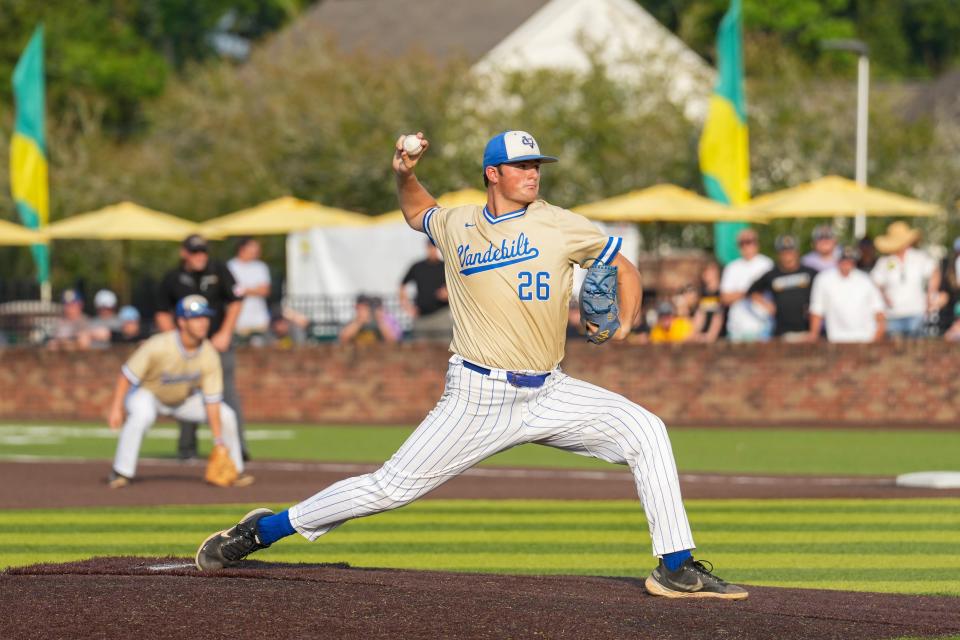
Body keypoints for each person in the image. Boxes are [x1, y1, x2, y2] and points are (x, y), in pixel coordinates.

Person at [195, 129, 747, 600]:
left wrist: (625, 322)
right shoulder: (459, 226)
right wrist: (404, 171)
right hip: (478, 395)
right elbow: (416, 210)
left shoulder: (560, 223)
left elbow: (623, 267)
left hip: (550, 390)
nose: (533, 173)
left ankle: (675, 567)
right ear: (493, 173)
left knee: (646, 430)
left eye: (538, 165)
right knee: (389, 489)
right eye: (522, 165)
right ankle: (262, 530)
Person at [106, 295, 250, 488]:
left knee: (227, 414)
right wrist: (116, 407)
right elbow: (126, 375)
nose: (203, 323)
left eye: (205, 317)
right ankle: (120, 472)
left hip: (183, 400)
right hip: (149, 395)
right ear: (182, 321)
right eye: (196, 318)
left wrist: (218, 442)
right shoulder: (159, 345)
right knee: (142, 415)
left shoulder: (209, 353)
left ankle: (235, 471)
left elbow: (212, 401)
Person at [156, 234, 246, 460]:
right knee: (186, 394)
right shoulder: (173, 277)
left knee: (227, 393)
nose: (200, 256)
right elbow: (161, 311)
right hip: (187, 349)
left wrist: (225, 333)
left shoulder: (219, 270)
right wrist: (173, 341)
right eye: (195, 252)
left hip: (217, 342)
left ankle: (237, 450)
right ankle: (187, 448)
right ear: (184, 253)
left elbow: (235, 301)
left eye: (203, 251)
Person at [870, 221, 939, 338]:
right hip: (892, 314)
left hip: (916, 312)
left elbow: (934, 271)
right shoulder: (885, 261)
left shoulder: (919, 257)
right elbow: (875, 282)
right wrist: (883, 296)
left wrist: (930, 294)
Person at [746, 235, 818, 340]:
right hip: (781, 331)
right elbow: (751, 291)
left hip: (806, 330)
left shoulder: (810, 272)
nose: (787, 255)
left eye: (790, 251)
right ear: (778, 254)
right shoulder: (772, 274)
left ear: (797, 252)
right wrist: (767, 305)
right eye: (783, 252)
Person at [807, 246, 885, 343]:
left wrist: (876, 338)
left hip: (865, 337)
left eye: (850, 260)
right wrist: (814, 335)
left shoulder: (865, 280)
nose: (846, 264)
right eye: (843, 260)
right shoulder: (823, 279)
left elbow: (879, 311)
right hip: (837, 339)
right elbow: (817, 310)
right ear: (837, 261)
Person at [719, 228, 774, 342]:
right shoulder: (732, 267)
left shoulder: (767, 264)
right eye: (742, 243)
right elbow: (725, 298)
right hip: (737, 329)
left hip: (762, 327)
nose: (746, 246)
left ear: (756, 243)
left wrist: (744, 294)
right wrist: (749, 292)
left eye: (749, 242)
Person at [398, 241, 452, 340]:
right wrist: (406, 306)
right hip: (421, 317)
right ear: (426, 248)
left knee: (444, 352)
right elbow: (402, 285)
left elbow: (457, 285)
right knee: (421, 352)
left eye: (435, 247)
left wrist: (448, 293)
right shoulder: (417, 266)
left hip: (441, 316)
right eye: (430, 247)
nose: (433, 250)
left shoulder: (446, 266)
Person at [227, 236, 272, 346]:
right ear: (242, 249)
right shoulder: (230, 266)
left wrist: (245, 290)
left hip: (258, 319)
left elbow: (265, 291)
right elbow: (231, 291)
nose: (256, 251)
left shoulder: (261, 267)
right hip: (238, 321)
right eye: (253, 248)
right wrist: (254, 290)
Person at [691, 260, 724, 342]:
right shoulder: (702, 293)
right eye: (704, 271)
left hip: (720, 337)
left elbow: (719, 317)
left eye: (710, 271)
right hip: (703, 336)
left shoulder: (723, 292)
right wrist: (695, 334)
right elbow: (700, 315)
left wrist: (711, 336)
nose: (706, 274)